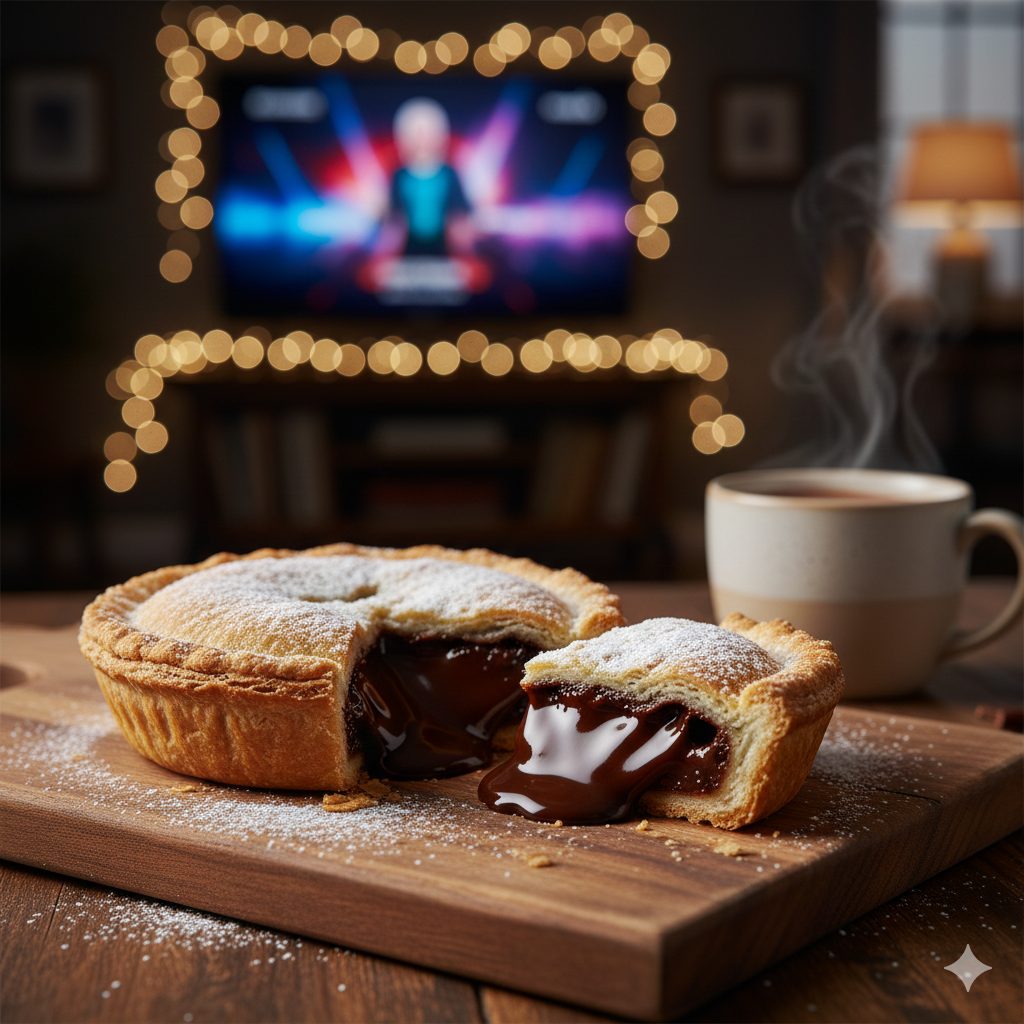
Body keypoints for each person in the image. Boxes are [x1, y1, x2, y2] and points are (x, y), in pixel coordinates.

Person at [388, 98, 472, 256]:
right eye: (416, 134)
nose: (422, 141)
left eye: (427, 134)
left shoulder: (449, 175)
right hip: (407, 251)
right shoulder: (399, 176)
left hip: (445, 250)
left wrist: (462, 239)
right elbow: (394, 217)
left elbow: (459, 214)